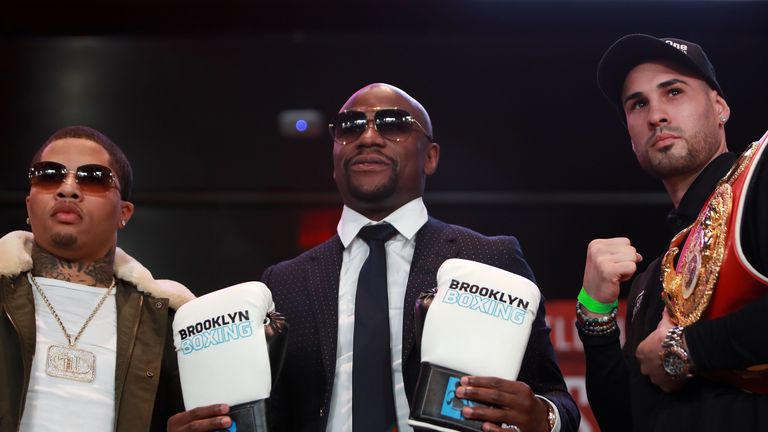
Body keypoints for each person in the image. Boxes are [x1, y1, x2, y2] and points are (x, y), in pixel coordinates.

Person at [260, 83, 580, 432]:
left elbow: (555, 398)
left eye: (393, 124)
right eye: (351, 127)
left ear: (430, 156)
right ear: (334, 159)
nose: (368, 137)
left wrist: (540, 417)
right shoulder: (284, 282)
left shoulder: (489, 258)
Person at [577, 34, 768, 431]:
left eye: (674, 92)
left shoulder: (758, 183)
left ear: (720, 107)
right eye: (638, 103)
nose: (656, 115)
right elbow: (626, 419)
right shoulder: (653, 277)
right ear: (631, 137)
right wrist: (595, 316)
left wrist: (686, 348)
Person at [0, 125, 194, 431]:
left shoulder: (168, 321)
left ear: (124, 212)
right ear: (28, 204)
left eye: (93, 177)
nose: (68, 188)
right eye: (49, 174)